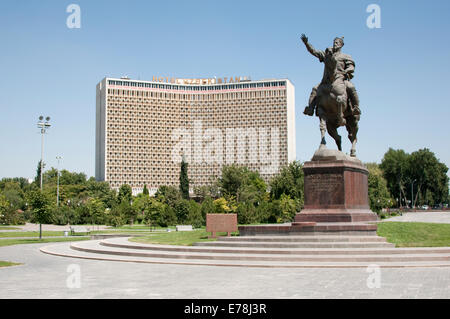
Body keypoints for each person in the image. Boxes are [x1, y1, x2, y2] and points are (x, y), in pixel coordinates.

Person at [301, 34, 361, 125]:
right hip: (326, 80)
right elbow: (314, 51)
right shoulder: (327, 54)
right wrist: (306, 43)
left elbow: (351, 67)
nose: (335, 44)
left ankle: (355, 107)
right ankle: (310, 109)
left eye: (337, 43)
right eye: (334, 42)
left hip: (340, 79)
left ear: (341, 45)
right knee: (315, 89)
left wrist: (347, 70)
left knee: (351, 86)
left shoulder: (345, 56)